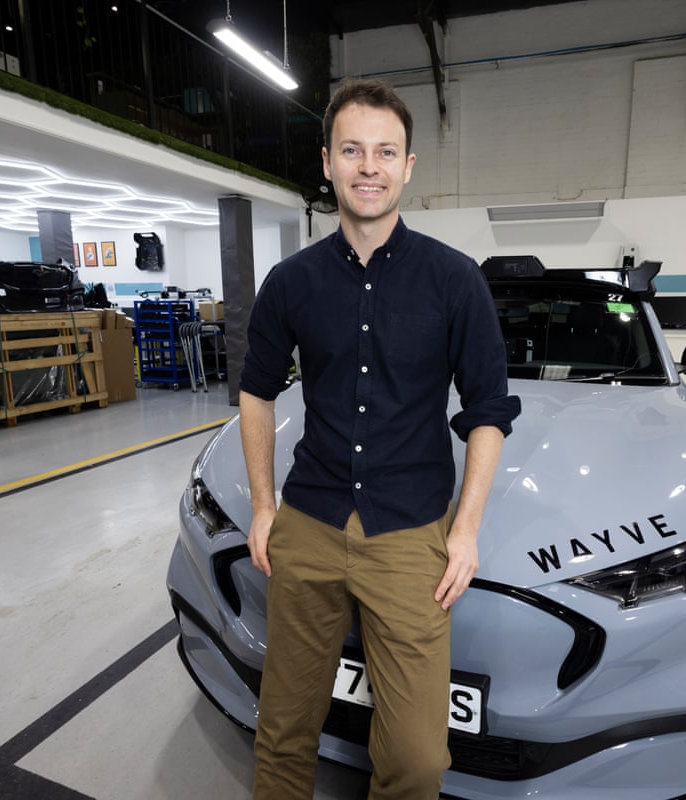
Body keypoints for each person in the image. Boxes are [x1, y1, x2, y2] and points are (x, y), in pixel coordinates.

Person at [237, 77, 521, 799]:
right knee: (283, 730)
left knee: (418, 760)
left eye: (385, 151)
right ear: (328, 161)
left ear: (409, 166)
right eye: (353, 150)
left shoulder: (455, 282)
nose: (370, 166)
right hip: (309, 524)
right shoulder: (290, 283)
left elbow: (488, 408)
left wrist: (465, 530)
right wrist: (265, 506)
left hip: (409, 537)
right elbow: (256, 393)